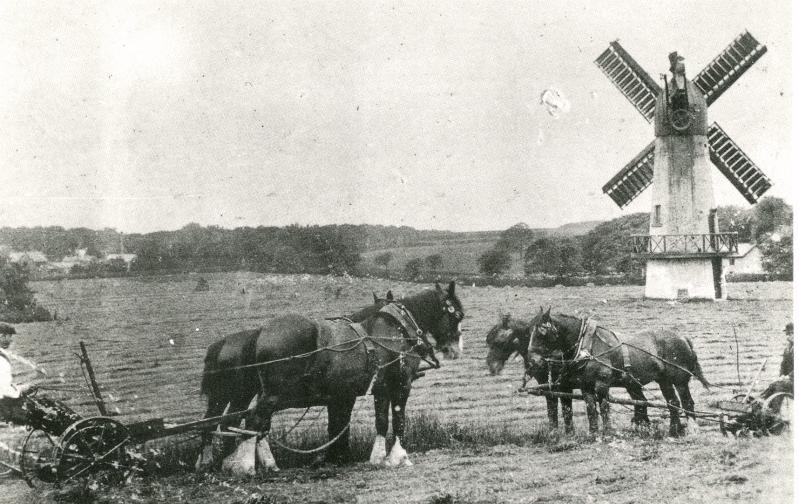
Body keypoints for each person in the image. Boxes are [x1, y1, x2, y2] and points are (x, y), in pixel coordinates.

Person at [0, 328, 46, 424]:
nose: (11, 340)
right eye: (9, 336)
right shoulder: (2, 359)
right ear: (1, 336)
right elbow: (6, 391)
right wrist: (23, 388)